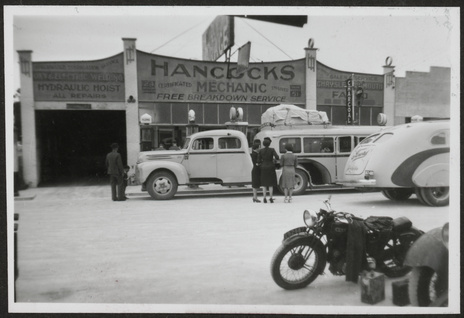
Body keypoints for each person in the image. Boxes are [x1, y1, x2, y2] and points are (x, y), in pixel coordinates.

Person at [257, 137, 279, 203]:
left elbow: (258, 160)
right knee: (270, 184)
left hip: (263, 167)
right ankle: (271, 198)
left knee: (264, 184)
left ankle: (264, 198)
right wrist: (274, 160)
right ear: (269, 144)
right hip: (271, 166)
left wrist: (261, 163)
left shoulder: (261, 150)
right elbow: (277, 157)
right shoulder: (272, 150)